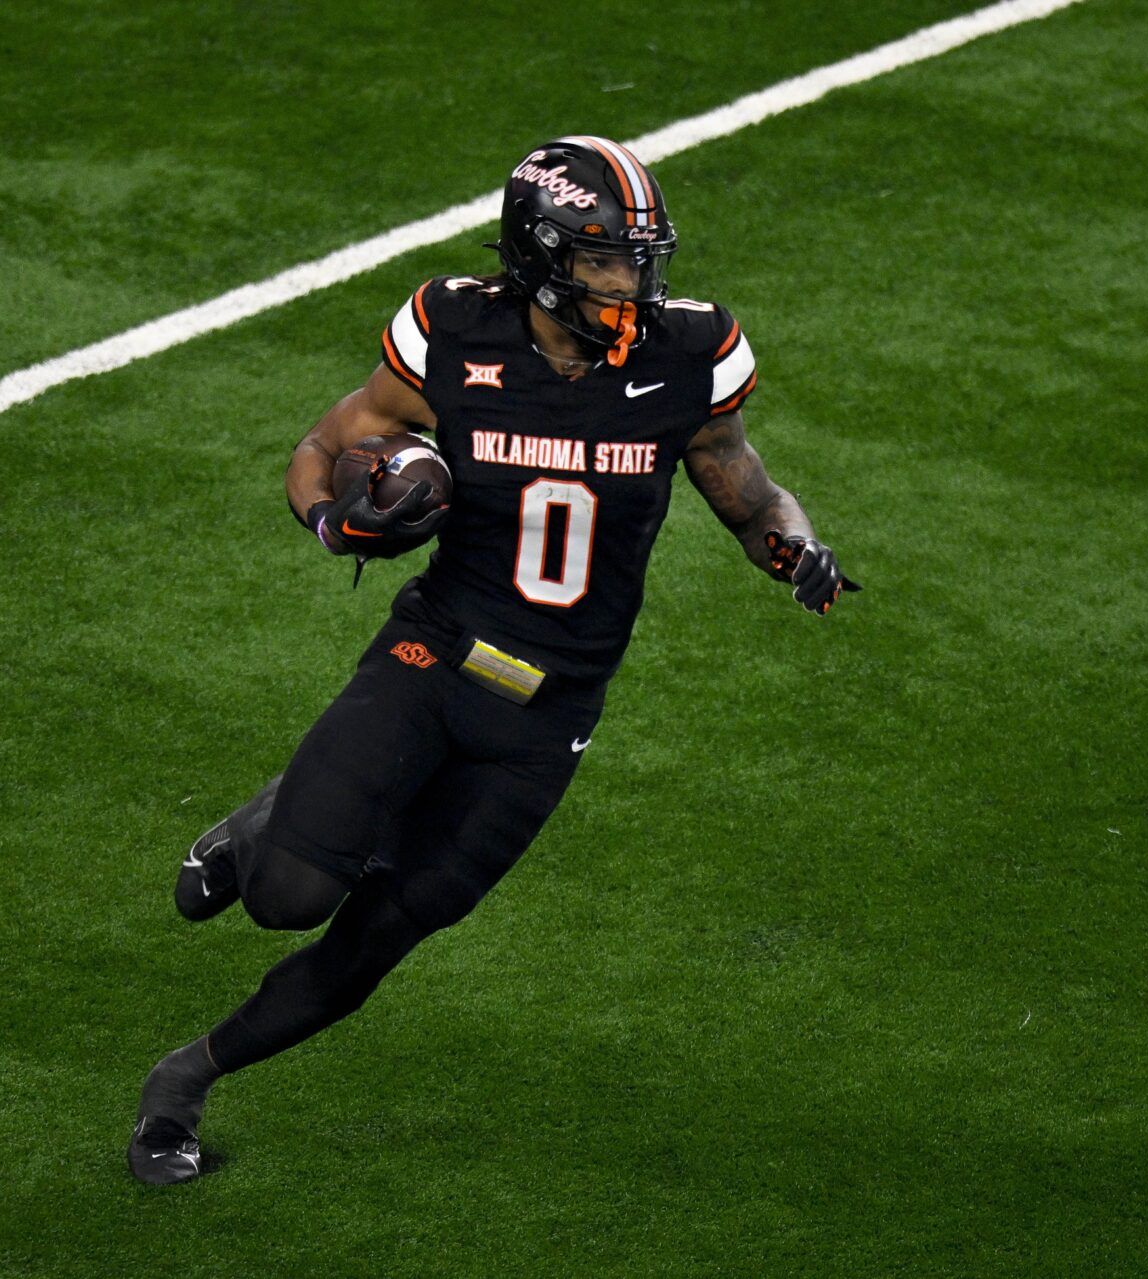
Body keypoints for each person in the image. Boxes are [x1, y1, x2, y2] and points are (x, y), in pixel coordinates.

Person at [128, 135, 859, 1184]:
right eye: (605, 260)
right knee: (286, 895)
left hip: (546, 719)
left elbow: (741, 481)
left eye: (641, 259)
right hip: (434, 656)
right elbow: (321, 447)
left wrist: (792, 547)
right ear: (541, 252)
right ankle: (260, 826)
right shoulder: (453, 333)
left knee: (380, 935)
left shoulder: (686, 355)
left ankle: (183, 1081)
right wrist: (338, 527)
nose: (632, 284)